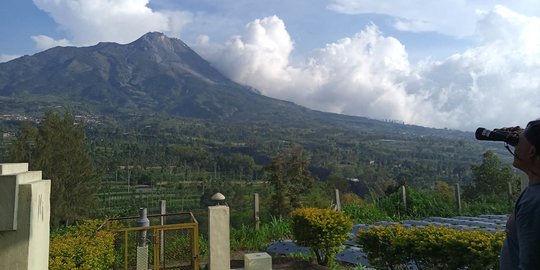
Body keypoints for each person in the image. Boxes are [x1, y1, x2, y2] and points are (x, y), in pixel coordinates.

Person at [499, 120, 540, 269]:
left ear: (531, 152)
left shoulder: (534, 203)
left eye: (518, 142)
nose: (515, 145)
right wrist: (526, 135)